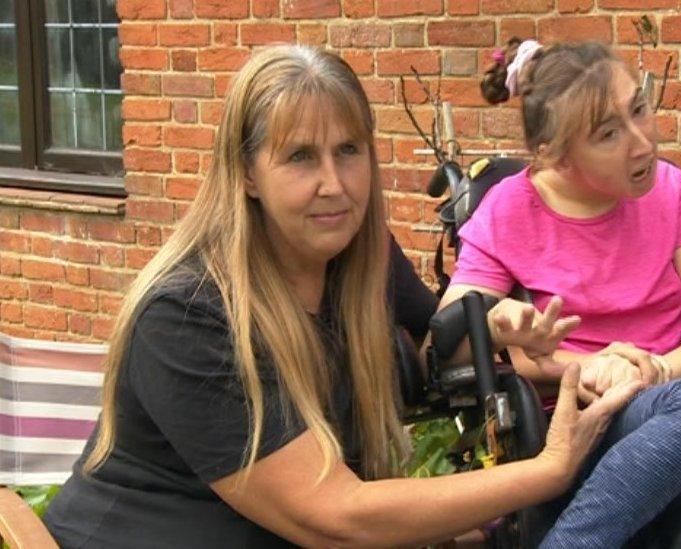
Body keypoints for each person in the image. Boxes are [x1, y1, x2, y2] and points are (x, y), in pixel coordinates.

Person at [41, 45, 643, 548]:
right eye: (301, 157)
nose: (334, 184)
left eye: (348, 151)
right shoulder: (191, 315)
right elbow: (334, 516)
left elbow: (438, 340)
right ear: (247, 173)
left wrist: (494, 324)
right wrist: (550, 469)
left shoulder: (360, 258)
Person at [434, 38, 681, 547]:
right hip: (575, 431)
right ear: (552, 155)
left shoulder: (667, 191)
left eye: (639, 110)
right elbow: (445, 342)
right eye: (608, 134)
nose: (642, 143)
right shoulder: (509, 211)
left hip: (669, 417)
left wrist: (655, 370)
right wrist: (506, 328)